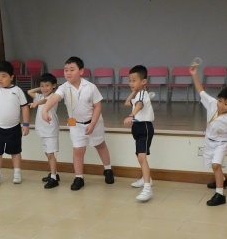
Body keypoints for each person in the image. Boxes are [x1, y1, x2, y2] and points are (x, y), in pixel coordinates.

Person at [42, 56, 114, 191]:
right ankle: (79, 177)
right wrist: (45, 110)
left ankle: (108, 169)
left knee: (100, 145)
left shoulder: (90, 87)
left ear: (81, 71)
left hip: (94, 122)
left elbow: (98, 106)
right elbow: (54, 98)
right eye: (66, 70)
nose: (68, 73)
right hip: (75, 124)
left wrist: (92, 124)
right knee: (78, 150)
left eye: (72, 69)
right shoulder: (64, 87)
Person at [190, 64, 227, 206]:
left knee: (215, 165)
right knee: (212, 165)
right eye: (220, 100)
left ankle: (220, 195)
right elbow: (201, 91)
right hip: (209, 141)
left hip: (222, 143)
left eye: (226, 104)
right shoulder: (213, 104)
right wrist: (194, 75)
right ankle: (223, 180)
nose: (221, 105)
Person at [123, 65, 156, 202]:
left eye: (134, 80)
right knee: (139, 155)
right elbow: (127, 103)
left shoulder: (143, 94)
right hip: (137, 127)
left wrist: (131, 115)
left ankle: (147, 188)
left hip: (144, 127)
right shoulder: (138, 94)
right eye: (129, 80)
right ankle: (146, 178)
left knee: (142, 157)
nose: (131, 83)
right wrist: (134, 91)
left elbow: (139, 105)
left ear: (143, 81)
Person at [27, 73, 60, 189]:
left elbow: (45, 101)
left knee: (50, 154)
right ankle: (54, 173)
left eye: (47, 85)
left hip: (51, 130)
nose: (44, 88)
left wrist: (36, 102)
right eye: (42, 86)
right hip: (42, 130)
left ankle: (54, 178)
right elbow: (29, 92)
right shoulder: (40, 96)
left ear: (54, 86)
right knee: (47, 153)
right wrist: (41, 88)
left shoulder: (54, 96)